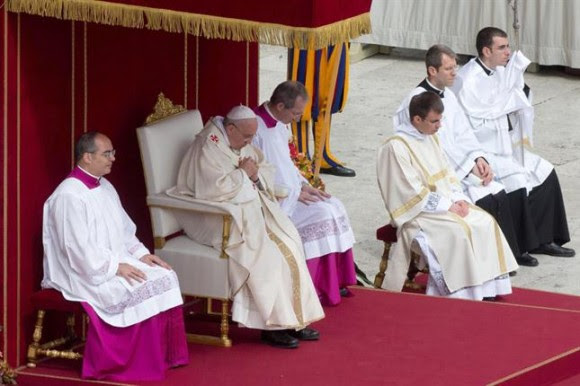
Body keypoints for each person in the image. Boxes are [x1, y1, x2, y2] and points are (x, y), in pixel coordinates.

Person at [169, 105, 324, 349]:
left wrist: (253, 175)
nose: (250, 142)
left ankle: (293, 319)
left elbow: (261, 167)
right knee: (268, 255)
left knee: (291, 240)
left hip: (244, 211)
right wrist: (243, 174)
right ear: (230, 128)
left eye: (252, 137)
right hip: (211, 217)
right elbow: (211, 190)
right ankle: (272, 326)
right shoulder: (208, 147)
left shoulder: (238, 136)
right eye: (247, 137)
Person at [42, 132, 188, 382]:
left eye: (113, 152)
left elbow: (124, 230)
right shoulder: (69, 196)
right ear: (87, 157)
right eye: (106, 154)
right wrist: (114, 267)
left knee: (165, 275)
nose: (113, 158)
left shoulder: (105, 185)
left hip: (114, 259)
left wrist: (142, 255)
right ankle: (131, 364)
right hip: (83, 271)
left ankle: (162, 357)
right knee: (135, 285)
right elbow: (75, 249)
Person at [394, 44, 536, 268]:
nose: (455, 73)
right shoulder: (415, 101)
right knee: (484, 195)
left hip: (462, 164)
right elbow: (420, 147)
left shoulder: (449, 96)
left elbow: (464, 133)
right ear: (432, 70)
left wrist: (479, 159)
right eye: (449, 68)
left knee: (499, 189)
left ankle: (510, 254)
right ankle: (485, 262)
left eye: (455, 67)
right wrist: (467, 170)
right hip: (436, 175)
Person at [377, 91, 518, 300]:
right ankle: (460, 293)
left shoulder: (430, 137)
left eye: (440, 120)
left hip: (444, 203)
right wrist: (446, 205)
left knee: (485, 222)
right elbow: (408, 191)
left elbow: (448, 173)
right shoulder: (395, 147)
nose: (439, 126)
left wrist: (458, 198)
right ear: (417, 119)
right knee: (458, 231)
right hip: (419, 213)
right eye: (435, 121)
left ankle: (483, 288)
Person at [452, 26, 574, 259]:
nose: (508, 52)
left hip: (506, 146)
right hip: (485, 151)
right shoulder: (468, 80)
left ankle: (544, 239)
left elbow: (514, 98)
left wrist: (520, 89)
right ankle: (520, 249)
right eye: (502, 47)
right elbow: (486, 110)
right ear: (486, 51)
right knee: (518, 179)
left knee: (546, 171)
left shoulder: (501, 70)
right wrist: (511, 97)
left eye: (508, 46)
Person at [252, 80, 357, 306]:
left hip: (292, 192)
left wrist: (303, 184)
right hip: (275, 202)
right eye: (296, 113)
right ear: (280, 106)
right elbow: (259, 173)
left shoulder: (280, 123)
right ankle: (314, 285)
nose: (298, 118)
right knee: (322, 215)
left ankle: (336, 281)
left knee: (334, 205)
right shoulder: (256, 129)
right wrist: (292, 193)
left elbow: (286, 165)